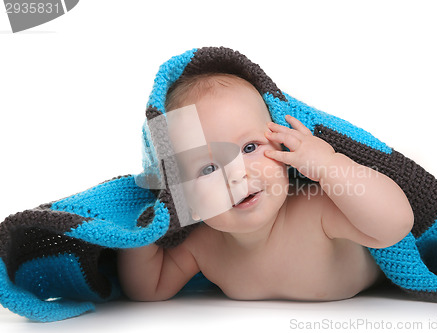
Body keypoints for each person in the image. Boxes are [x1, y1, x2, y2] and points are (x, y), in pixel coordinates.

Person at [117, 73, 414, 302]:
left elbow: (395, 225)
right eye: (208, 168)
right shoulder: (206, 245)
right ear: (183, 198)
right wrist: (145, 225)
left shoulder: (315, 210)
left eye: (249, 147)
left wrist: (328, 164)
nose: (237, 175)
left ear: (282, 143)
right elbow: (150, 288)